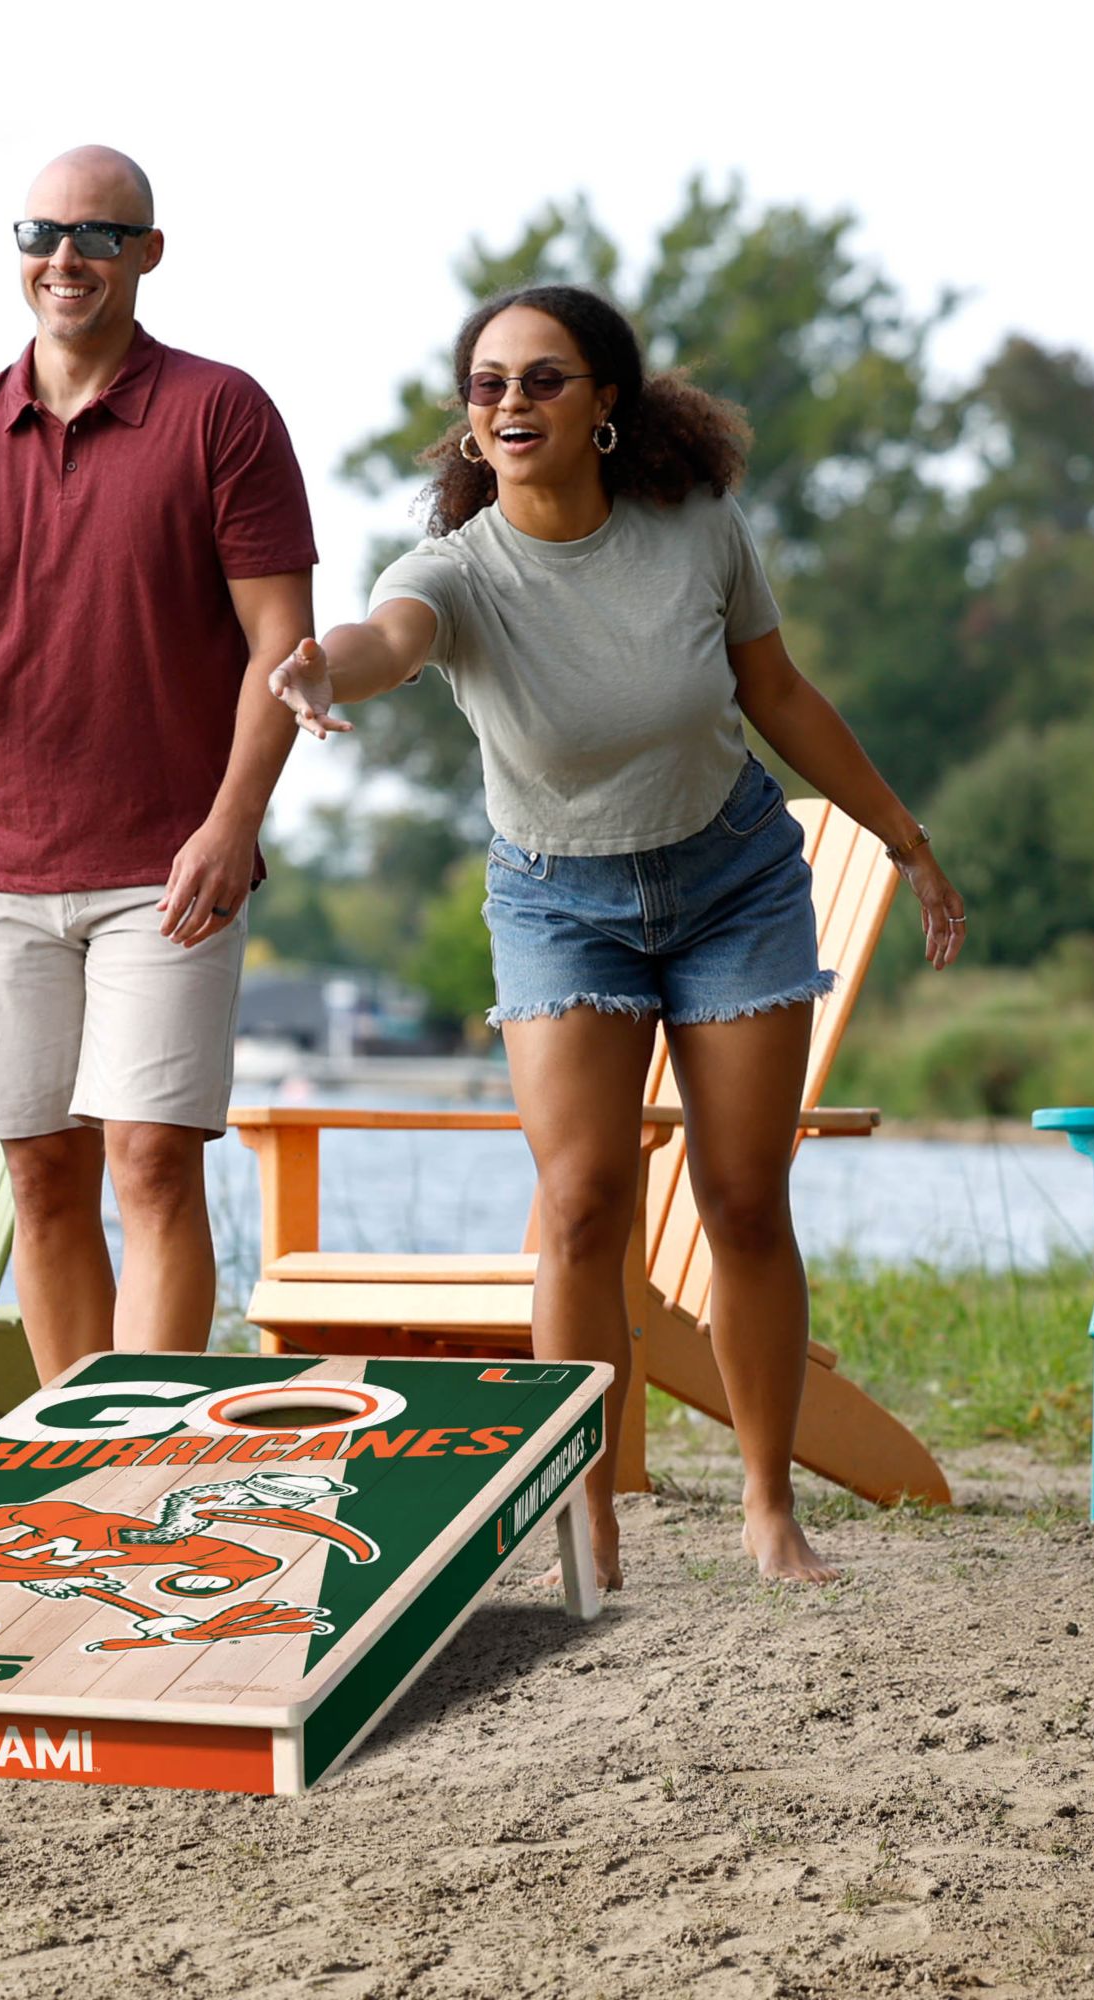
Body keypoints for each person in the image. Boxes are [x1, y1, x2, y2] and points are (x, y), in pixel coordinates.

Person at [268, 284, 965, 1586]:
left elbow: (777, 693)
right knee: (583, 1203)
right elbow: (386, 639)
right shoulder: (454, 571)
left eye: (543, 378)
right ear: (467, 422)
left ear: (603, 404)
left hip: (732, 882)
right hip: (556, 903)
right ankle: (584, 1515)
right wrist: (320, 670)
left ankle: (767, 1507)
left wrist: (901, 836)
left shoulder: (695, 529)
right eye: (488, 384)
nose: (512, 402)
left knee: (742, 1200)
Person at [0, 146, 316, 1386]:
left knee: (150, 1158)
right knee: (39, 1171)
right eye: (42, 232)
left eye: (98, 234)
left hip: (169, 865)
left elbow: (281, 646)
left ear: (149, 253)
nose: (66, 257)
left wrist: (231, 821)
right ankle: (77, 1458)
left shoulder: (221, 414)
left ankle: (151, 1451)